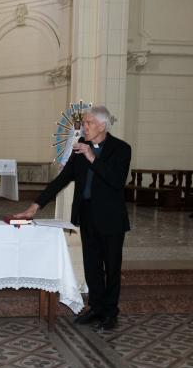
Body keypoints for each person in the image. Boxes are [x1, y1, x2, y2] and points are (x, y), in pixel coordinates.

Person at [12, 105, 131, 330]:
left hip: (111, 219)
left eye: (88, 123)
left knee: (112, 267)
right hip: (87, 216)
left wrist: (92, 157)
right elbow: (60, 180)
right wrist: (34, 207)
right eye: (84, 123)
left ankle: (110, 312)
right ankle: (95, 308)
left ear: (102, 125)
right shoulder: (79, 151)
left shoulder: (121, 149)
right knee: (92, 265)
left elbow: (116, 180)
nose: (84, 127)